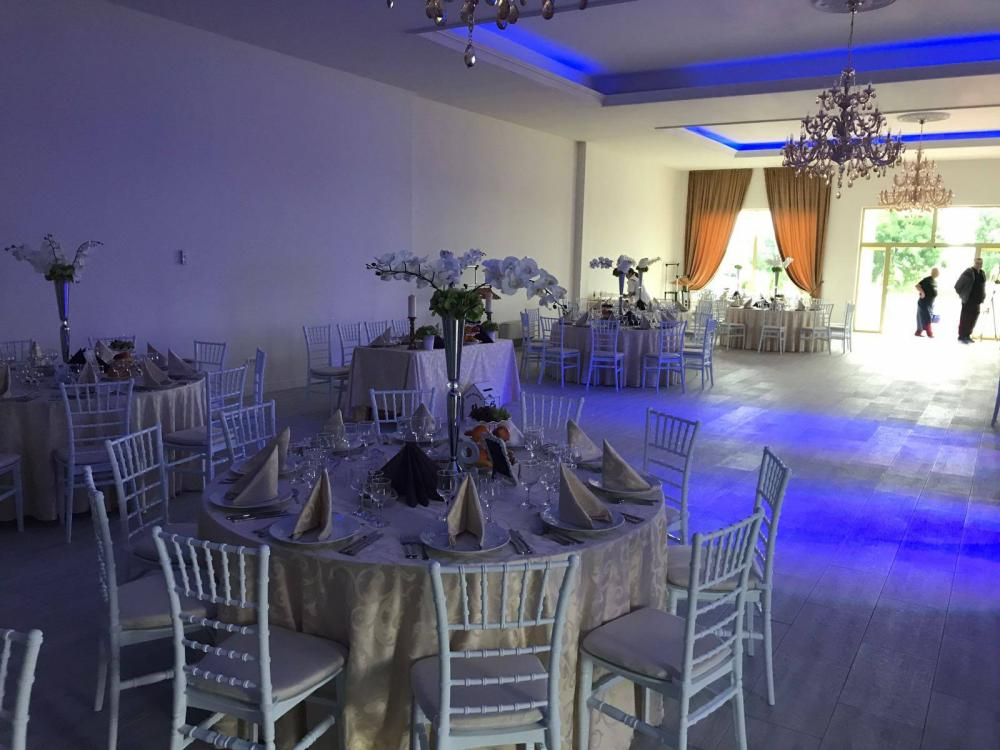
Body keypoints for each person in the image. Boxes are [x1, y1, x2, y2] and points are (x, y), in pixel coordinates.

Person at [955, 257, 987, 343]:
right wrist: (963, 295)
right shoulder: (968, 272)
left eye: (980, 263)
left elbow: (983, 286)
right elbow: (957, 286)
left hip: (977, 301)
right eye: (977, 263)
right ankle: (961, 336)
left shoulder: (982, 273)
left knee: (973, 319)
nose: (979, 265)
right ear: (974, 263)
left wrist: (983, 296)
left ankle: (967, 335)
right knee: (965, 319)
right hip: (968, 301)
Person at [915, 267, 939, 337]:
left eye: (937, 272)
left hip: (930, 303)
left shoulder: (934, 281)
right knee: (927, 317)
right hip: (924, 302)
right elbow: (917, 286)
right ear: (932, 272)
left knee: (922, 317)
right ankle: (929, 333)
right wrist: (922, 292)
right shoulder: (927, 279)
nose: (937, 273)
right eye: (935, 272)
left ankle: (918, 332)